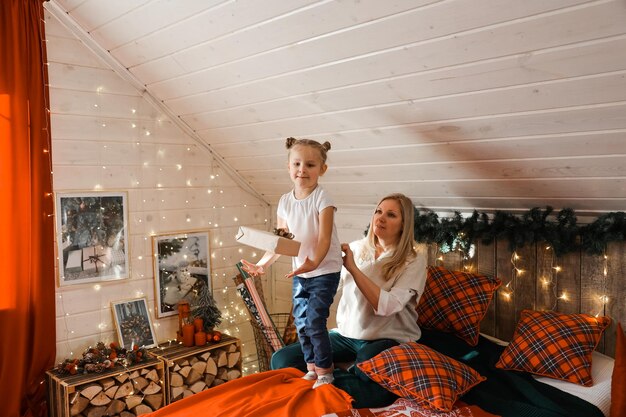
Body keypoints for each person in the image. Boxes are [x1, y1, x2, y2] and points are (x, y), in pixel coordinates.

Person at [271, 193, 427, 408]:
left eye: (391, 215)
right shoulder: (356, 247)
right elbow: (329, 285)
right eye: (378, 211)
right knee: (282, 360)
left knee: (369, 375)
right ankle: (334, 380)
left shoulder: (413, 258)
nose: (380, 218)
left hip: (387, 338)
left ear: (404, 225)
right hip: (346, 334)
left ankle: (331, 381)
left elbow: (388, 306)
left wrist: (352, 268)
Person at [241, 137, 343, 388]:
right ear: (288, 167)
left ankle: (325, 371)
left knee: (315, 321)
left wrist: (314, 263)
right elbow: (281, 241)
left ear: (322, 169)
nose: (302, 170)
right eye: (297, 164)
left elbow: (324, 238)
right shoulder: (285, 201)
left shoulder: (323, 199)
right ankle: (311, 367)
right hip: (301, 271)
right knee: (300, 322)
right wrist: (263, 264)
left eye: (310, 165)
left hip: (325, 270)